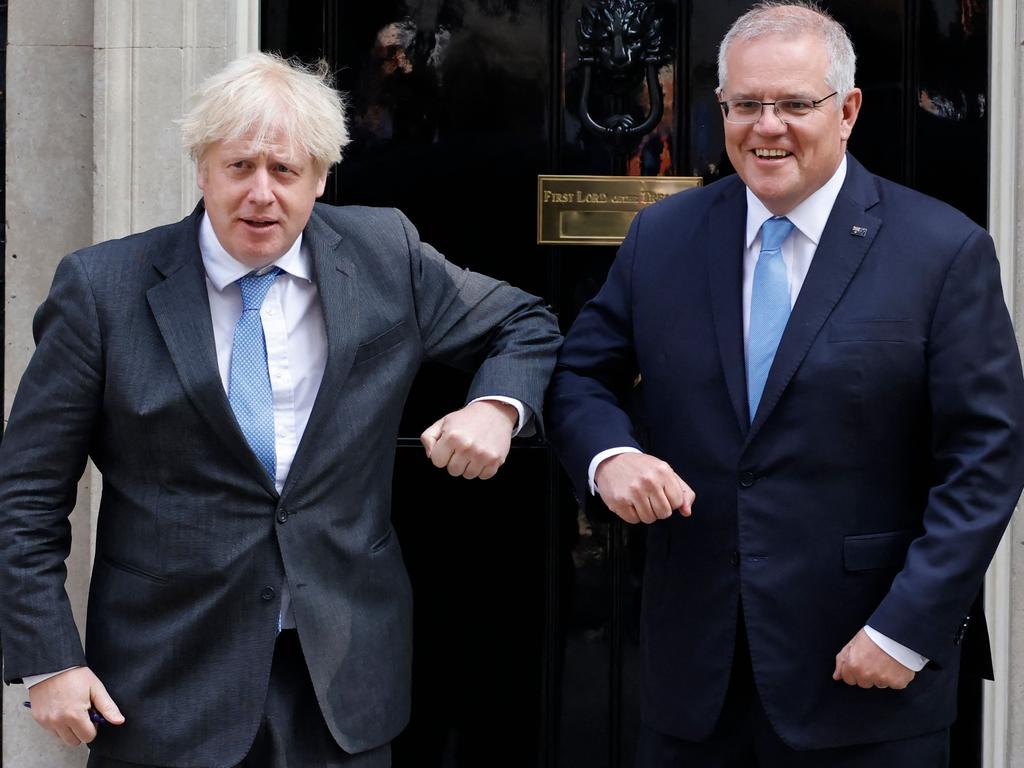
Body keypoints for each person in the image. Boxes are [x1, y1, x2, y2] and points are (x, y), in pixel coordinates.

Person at [0, 52, 561, 767]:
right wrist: (49, 660)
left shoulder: (385, 252)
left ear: (322, 179)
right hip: (165, 682)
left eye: (285, 171)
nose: (260, 194)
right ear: (201, 169)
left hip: (341, 678)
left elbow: (525, 323)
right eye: (239, 168)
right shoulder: (102, 290)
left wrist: (497, 407)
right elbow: (26, 492)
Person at [546, 2, 1024, 766]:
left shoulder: (943, 250)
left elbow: (986, 458)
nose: (767, 126)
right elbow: (581, 377)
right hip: (691, 680)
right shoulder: (662, 237)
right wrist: (610, 458)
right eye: (746, 104)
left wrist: (906, 629)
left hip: (866, 672)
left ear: (848, 110)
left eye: (795, 104)